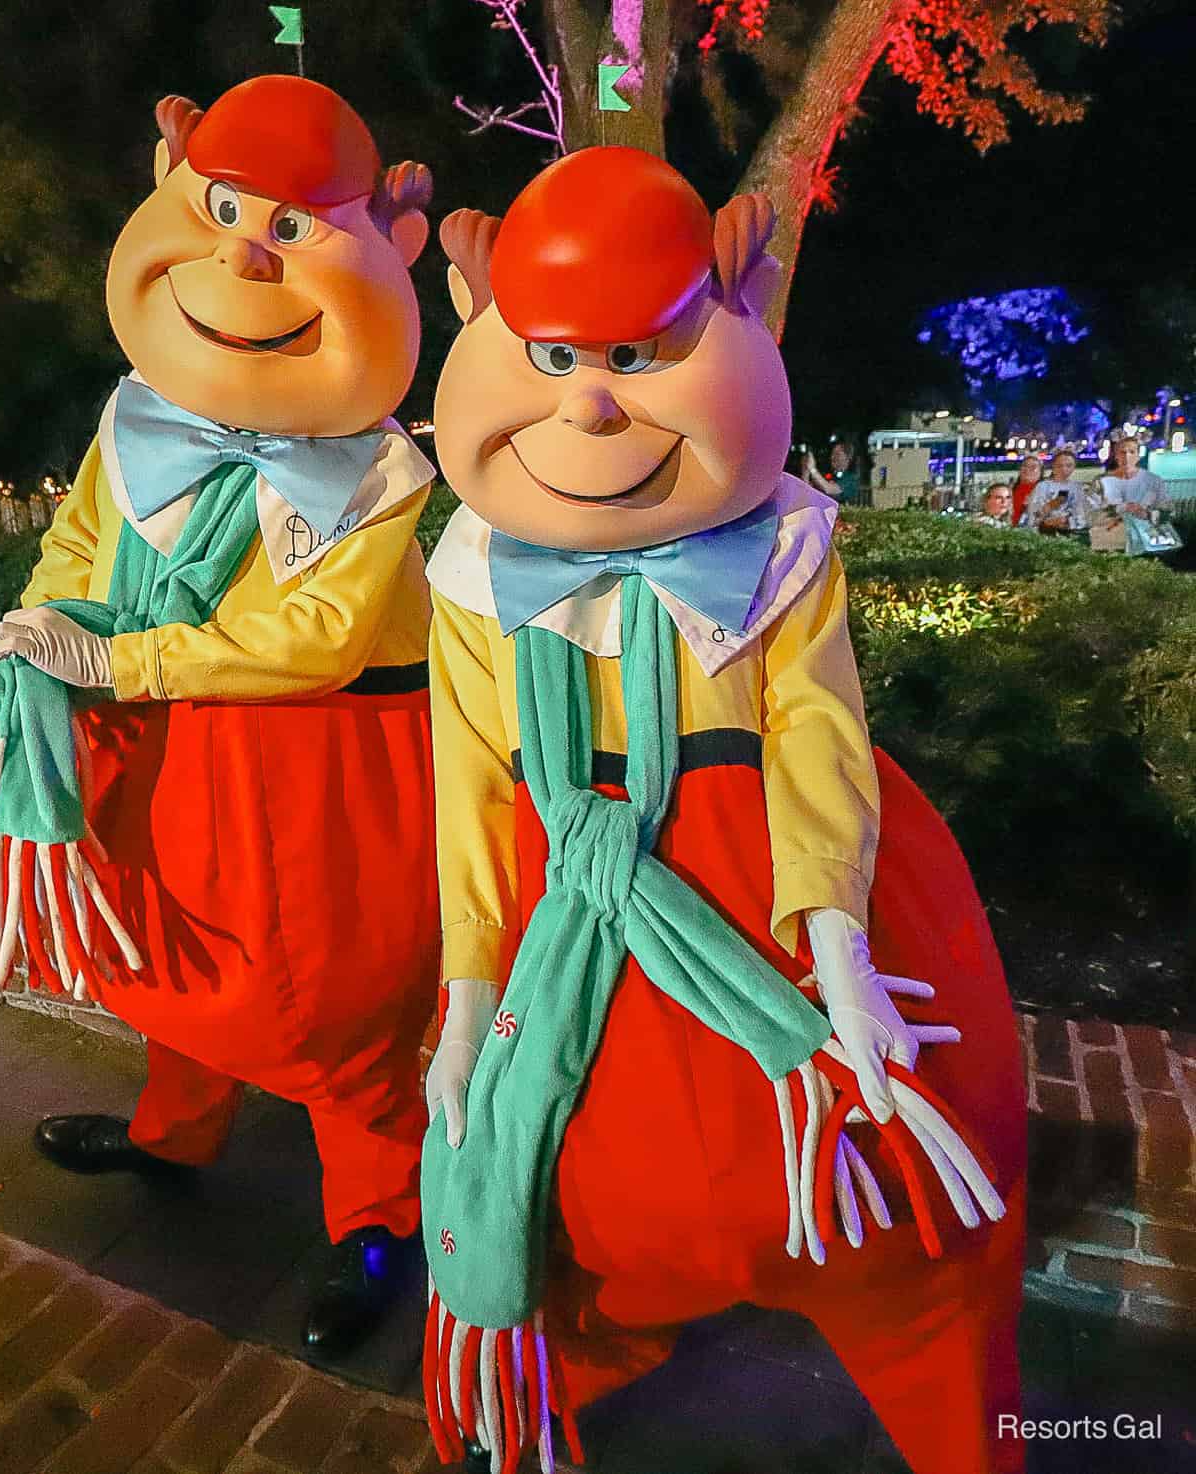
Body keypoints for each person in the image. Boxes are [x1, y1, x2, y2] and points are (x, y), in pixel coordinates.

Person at [418, 151, 1024, 1474]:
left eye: (637, 351)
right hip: (562, 898)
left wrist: (842, 941)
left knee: (899, 1208)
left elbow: (817, 724)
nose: (589, 407)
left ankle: (966, 1434)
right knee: (567, 1189)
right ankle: (541, 1382)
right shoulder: (468, 571)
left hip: (765, 880)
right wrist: (468, 989)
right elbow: (469, 776)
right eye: (555, 351)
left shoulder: (787, 542)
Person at [0, 76, 441, 1355]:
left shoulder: (379, 468)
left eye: (290, 228)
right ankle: (172, 1131)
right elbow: (81, 544)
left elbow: (320, 636)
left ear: (384, 253)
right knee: (166, 952)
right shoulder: (135, 421)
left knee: (337, 1007)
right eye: (226, 207)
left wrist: (120, 665)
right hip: (163, 745)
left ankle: (376, 1215)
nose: (243, 252)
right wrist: (39, 630)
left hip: (320, 759)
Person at [1094, 434, 1170, 519]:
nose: (1127, 456)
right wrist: (1120, 508)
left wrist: (1148, 514)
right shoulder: (1101, 481)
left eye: (1132, 452)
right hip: (1111, 529)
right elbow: (1092, 511)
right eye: (1123, 452)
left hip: (1144, 530)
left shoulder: (1154, 481)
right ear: (1116, 456)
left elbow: (1167, 511)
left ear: (1138, 456)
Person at [1020, 449, 1087, 535]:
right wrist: (1048, 515)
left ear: (1074, 467)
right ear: (1053, 466)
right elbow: (1033, 514)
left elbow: (1082, 515)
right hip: (1044, 531)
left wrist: (1067, 521)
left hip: (1069, 532)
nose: (1064, 469)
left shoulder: (1077, 487)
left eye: (1069, 465)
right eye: (1060, 466)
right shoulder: (1042, 486)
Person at [802, 439, 860, 503]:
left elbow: (829, 489)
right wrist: (806, 470)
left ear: (848, 457)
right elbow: (807, 489)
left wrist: (812, 469)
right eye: (832, 454)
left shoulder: (851, 478)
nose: (832, 457)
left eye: (837, 454)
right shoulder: (829, 474)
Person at [1009, 454, 1042, 525]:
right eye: (1024, 465)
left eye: (1033, 467)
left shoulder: (1043, 493)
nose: (1027, 469)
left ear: (1040, 472)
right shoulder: (1008, 491)